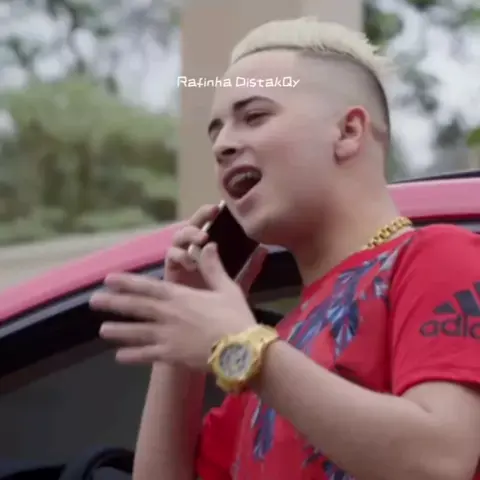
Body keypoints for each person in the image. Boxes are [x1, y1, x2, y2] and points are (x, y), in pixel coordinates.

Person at [89, 17, 480, 480]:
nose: (223, 145)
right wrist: (182, 333)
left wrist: (242, 348)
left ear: (348, 132)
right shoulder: (276, 350)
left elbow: (440, 460)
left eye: (254, 116)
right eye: (216, 132)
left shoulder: (439, 256)